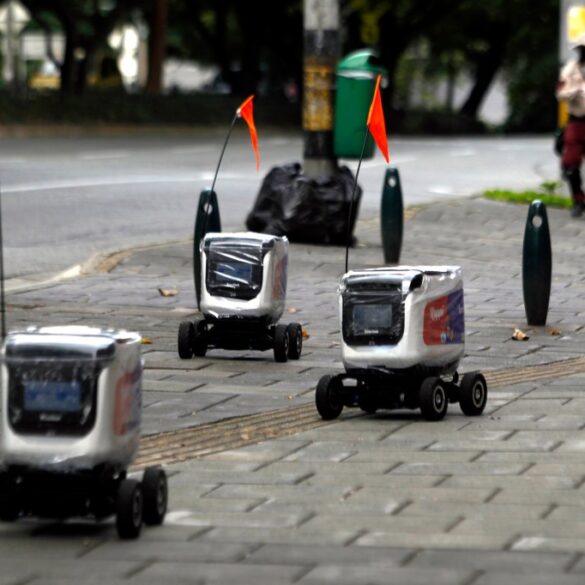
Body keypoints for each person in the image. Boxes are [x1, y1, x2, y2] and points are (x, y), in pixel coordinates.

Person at [557, 32, 585, 217]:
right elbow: (560, 93)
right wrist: (574, 91)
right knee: (570, 163)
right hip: (578, 121)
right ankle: (578, 199)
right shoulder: (570, 69)